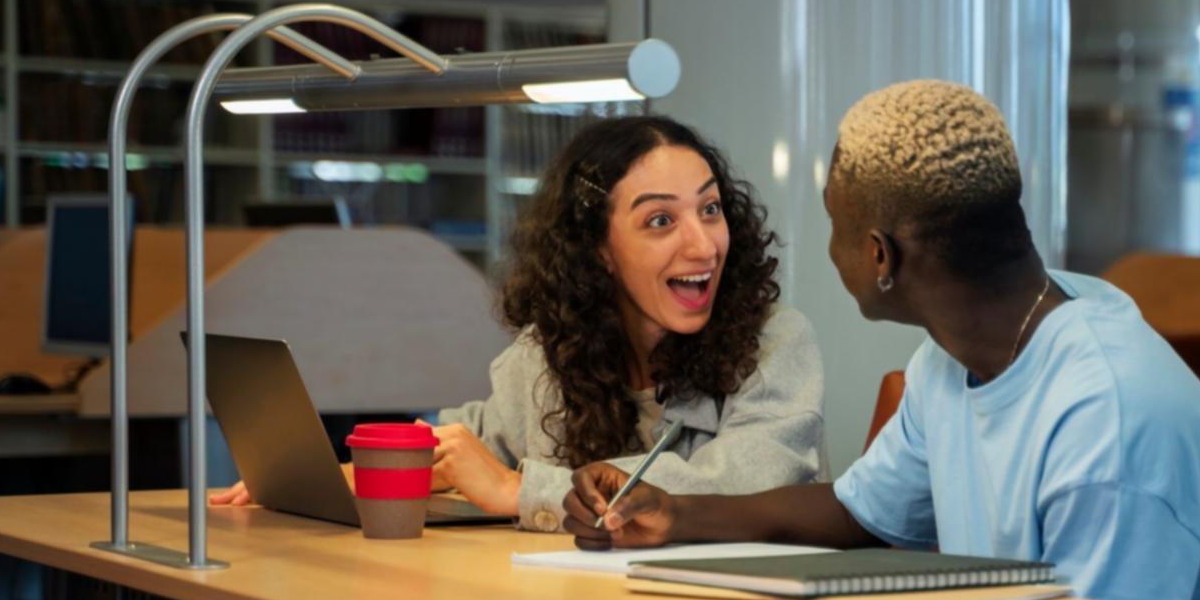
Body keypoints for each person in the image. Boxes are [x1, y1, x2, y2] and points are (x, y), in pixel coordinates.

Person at [562, 81, 1200, 600]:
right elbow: (858, 513)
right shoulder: (959, 355)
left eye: (835, 227)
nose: (830, 249)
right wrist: (676, 515)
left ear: (880, 255)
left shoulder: (1115, 417)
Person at [212, 115, 827, 530]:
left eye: (711, 209)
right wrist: (344, 475)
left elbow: (744, 488)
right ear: (598, 251)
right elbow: (469, 444)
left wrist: (517, 491)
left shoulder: (774, 342)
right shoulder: (551, 353)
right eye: (661, 221)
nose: (704, 245)